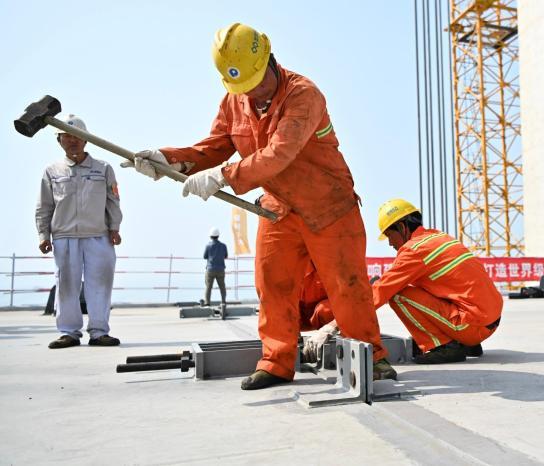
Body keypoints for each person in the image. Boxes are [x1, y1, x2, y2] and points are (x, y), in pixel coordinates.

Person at [124, 23, 395, 389]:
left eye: (256, 81)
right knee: (272, 284)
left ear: (270, 59)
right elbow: (217, 144)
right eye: (242, 86)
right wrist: (170, 160)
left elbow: (279, 152)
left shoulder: (304, 95)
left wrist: (224, 176)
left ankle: (372, 357)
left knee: (347, 285)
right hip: (279, 208)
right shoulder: (235, 100)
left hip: (329, 207)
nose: (250, 91)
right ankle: (276, 362)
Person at [371, 199, 503, 363]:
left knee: (397, 294)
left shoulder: (414, 250)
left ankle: (443, 346)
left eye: (390, 235)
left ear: (402, 227)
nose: (390, 243)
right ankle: (465, 343)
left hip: (473, 326)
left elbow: (382, 290)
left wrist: (339, 321)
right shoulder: (439, 237)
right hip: (490, 319)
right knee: (420, 286)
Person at [35, 114, 123, 349]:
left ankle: (99, 332)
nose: (72, 141)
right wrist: (43, 235)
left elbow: (113, 201)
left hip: (99, 236)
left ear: (86, 140)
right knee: (66, 286)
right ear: (59, 141)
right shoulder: (51, 171)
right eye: (66, 137)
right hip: (64, 237)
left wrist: (115, 227)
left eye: (76, 137)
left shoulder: (103, 168)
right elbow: (44, 206)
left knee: (101, 285)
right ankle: (69, 333)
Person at [203, 227, 228, 307]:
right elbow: (225, 256)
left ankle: (207, 303)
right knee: (222, 287)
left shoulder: (208, 246)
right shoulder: (223, 246)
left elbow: (205, 256)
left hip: (210, 269)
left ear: (210, 236)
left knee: (208, 287)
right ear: (218, 236)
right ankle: (223, 302)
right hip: (221, 269)